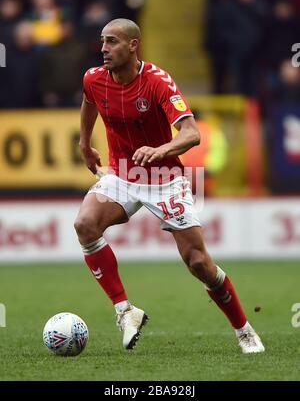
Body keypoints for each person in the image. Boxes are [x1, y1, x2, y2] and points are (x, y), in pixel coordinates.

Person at [74, 18, 265, 353]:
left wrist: (160, 150)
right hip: (121, 173)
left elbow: (192, 133)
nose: (104, 49)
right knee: (85, 225)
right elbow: (90, 102)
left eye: (113, 42)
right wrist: (85, 143)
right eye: (102, 41)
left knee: (198, 263)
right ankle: (125, 311)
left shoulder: (158, 82)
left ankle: (244, 329)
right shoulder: (94, 79)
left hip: (163, 178)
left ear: (133, 45)